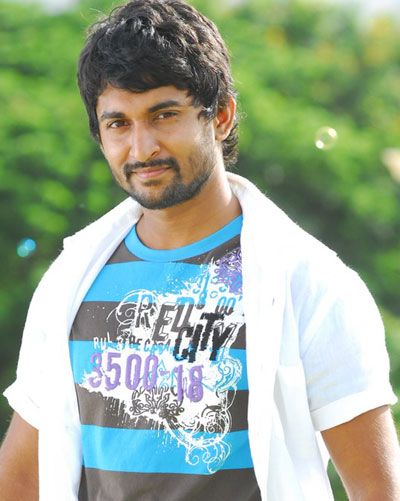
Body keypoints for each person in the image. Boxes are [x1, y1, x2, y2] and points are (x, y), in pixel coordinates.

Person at [0, 0, 399, 499]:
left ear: (222, 116)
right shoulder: (71, 278)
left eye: (164, 115)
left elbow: (377, 490)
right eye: (118, 123)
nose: (142, 148)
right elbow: (19, 479)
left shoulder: (310, 281)